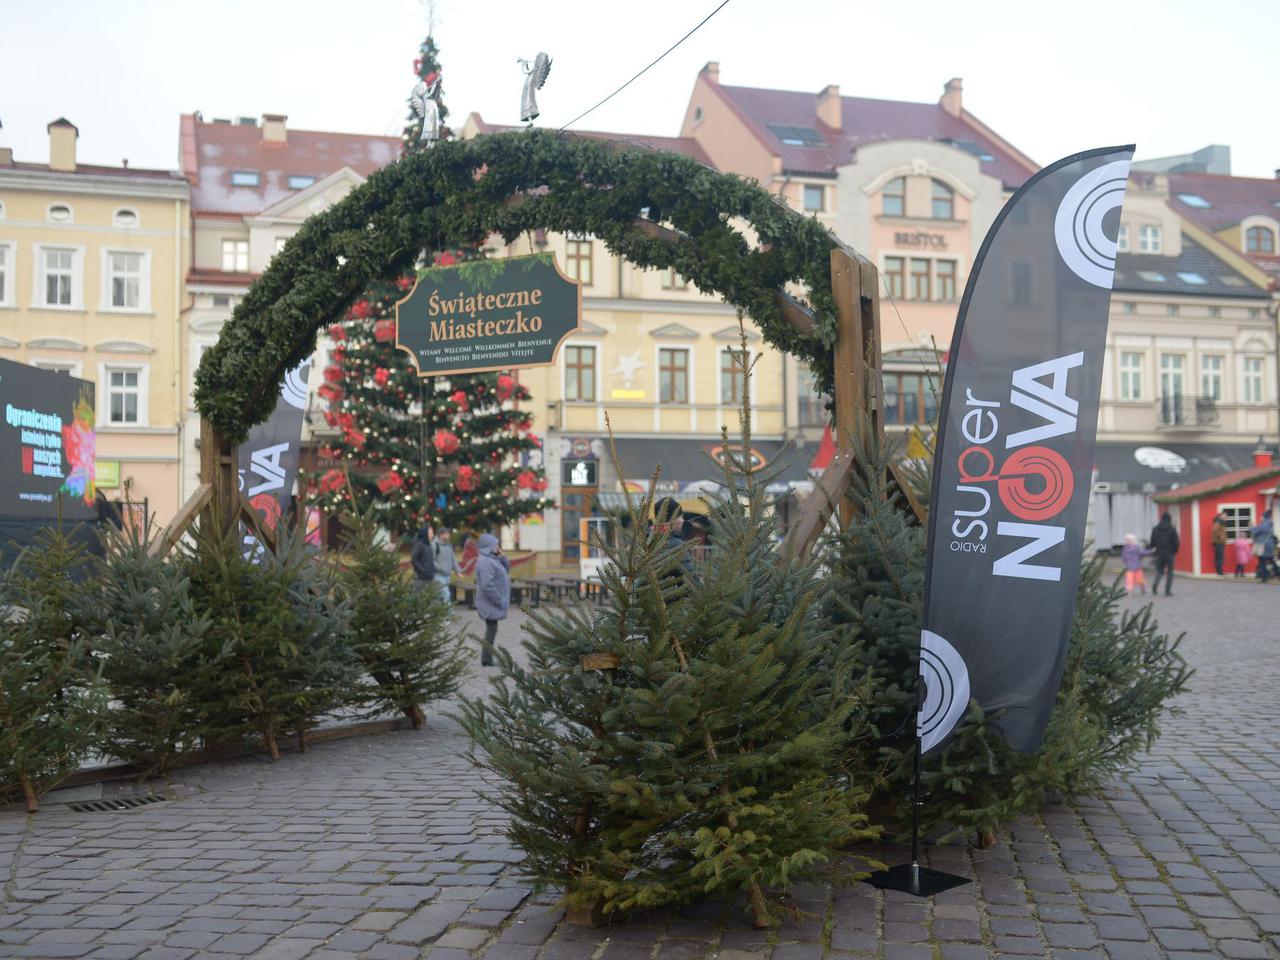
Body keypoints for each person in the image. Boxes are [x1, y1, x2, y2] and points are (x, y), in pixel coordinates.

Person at [474, 533, 510, 667]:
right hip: (490, 603)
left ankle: (487, 658)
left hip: (492, 603)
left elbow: (507, 570)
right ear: (488, 547)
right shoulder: (485, 562)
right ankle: (486, 659)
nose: (497, 547)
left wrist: (503, 557)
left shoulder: (493, 558)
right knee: (491, 629)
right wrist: (499, 600)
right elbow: (487, 585)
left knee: (492, 629)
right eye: (495, 545)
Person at [1149, 512, 1180, 597]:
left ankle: (1155, 585)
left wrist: (1154, 549)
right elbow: (1176, 542)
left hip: (1159, 553)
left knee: (1159, 571)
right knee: (1170, 572)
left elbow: (1152, 542)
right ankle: (1167, 591)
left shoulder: (1155, 529)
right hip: (1170, 553)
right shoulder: (1172, 529)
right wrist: (1175, 551)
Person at [432, 527, 459, 606]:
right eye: (447, 534)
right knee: (446, 595)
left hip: (447, 575)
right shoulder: (434, 545)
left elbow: (453, 559)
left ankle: (438, 615)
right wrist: (440, 568)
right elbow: (432, 560)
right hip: (438, 575)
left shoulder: (448, 545)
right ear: (441, 535)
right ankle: (448, 615)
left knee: (439, 596)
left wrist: (457, 571)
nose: (449, 535)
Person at [1250, 514, 1277, 583]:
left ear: (1264, 517)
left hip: (1264, 546)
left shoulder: (1264, 524)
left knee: (1262, 561)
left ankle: (1264, 577)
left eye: (1261, 516)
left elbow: (1255, 532)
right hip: (1269, 545)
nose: (1260, 518)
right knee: (1271, 561)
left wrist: (1252, 527)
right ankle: (1271, 575)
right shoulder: (1269, 524)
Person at [410, 525, 435, 592]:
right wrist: (423, 570)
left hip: (429, 577)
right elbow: (414, 560)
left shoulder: (429, 545)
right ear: (425, 533)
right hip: (421, 578)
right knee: (418, 599)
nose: (432, 535)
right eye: (431, 533)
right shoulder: (419, 544)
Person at [1211, 511, 1229, 576]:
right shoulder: (1218, 522)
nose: (1226, 517)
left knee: (1219, 558)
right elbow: (1215, 530)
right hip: (1219, 542)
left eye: (1226, 516)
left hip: (1219, 542)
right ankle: (1220, 572)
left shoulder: (1221, 522)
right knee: (1220, 558)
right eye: (1225, 515)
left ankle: (1220, 572)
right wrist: (1221, 537)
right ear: (1220, 516)